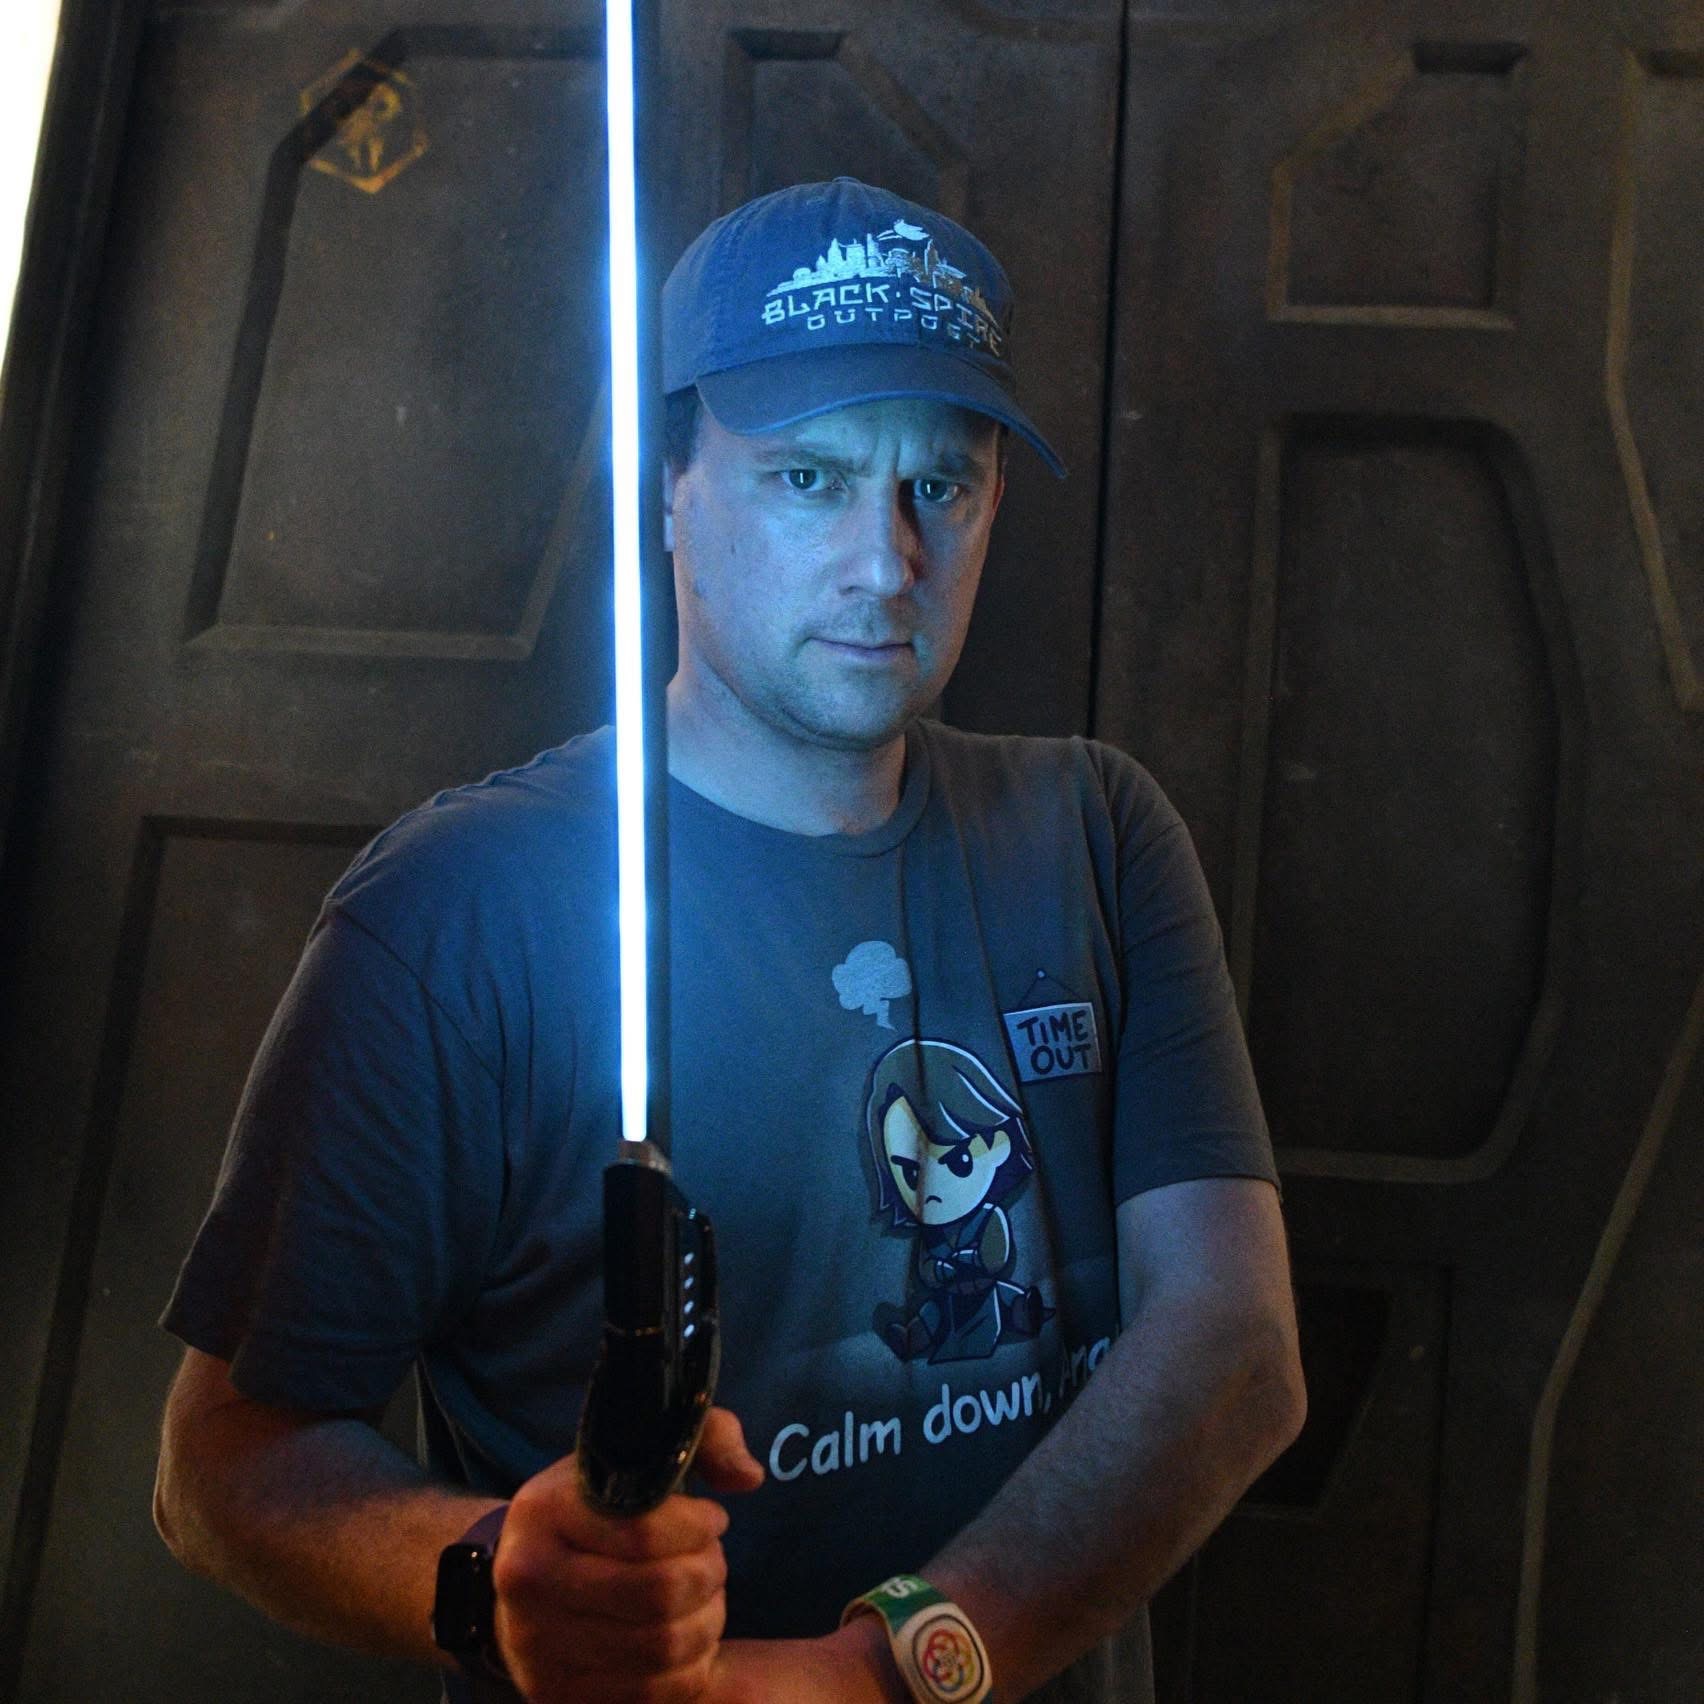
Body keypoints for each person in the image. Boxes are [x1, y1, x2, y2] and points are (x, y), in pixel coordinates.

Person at [154, 177, 1305, 1704]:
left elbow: (1235, 1350)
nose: (888, 561)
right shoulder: (456, 914)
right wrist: (490, 1573)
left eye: (940, 485)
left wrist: (884, 1672)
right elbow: (223, 1462)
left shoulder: (1093, 833)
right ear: (669, 486)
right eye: (810, 478)